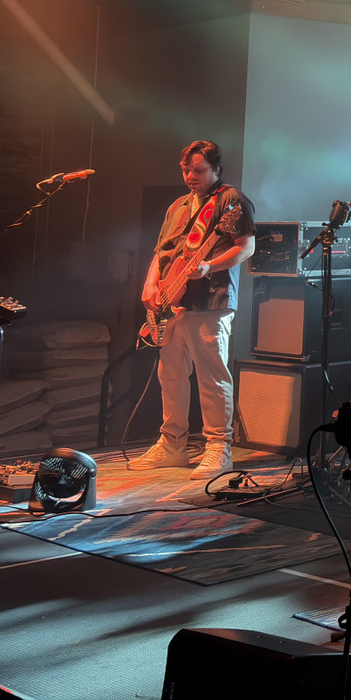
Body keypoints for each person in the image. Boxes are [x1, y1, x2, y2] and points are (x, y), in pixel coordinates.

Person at [129, 140, 256, 478]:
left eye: (198, 170)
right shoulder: (178, 206)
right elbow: (162, 252)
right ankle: (172, 444)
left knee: (212, 377)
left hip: (211, 301)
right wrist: (150, 284)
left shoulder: (230, 200)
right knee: (170, 375)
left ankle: (218, 447)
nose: (190, 176)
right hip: (173, 303)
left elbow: (246, 247)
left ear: (216, 169)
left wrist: (209, 266)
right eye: (186, 170)